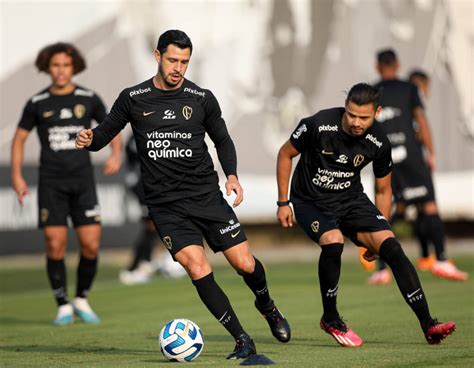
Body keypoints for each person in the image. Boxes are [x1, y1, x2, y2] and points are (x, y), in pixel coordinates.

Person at [76, 29, 290, 359]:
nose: (178, 68)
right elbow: (103, 136)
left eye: (185, 62)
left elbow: (222, 140)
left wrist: (231, 175)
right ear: (157, 56)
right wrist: (89, 139)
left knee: (245, 264)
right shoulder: (133, 98)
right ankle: (242, 338)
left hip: (206, 197)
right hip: (165, 207)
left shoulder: (201, 98)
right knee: (196, 267)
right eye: (173, 60)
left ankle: (268, 306)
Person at [276, 82, 456, 347]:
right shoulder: (318, 124)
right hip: (310, 201)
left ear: (377, 112)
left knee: (393, 248)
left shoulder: (379, 142)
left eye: (364, 117)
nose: (356, 122)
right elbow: (285, 154)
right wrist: (283, 202)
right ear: (345, 109)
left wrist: (383, 226)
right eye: (351, 115)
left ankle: (429, 325)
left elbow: (383, 190)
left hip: (351, 201)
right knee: (333, 240)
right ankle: (331, 317)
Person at [11, 42, 122, 325]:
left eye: (66, 65)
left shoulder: (88, 97)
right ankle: (62, 304)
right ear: (48, 68)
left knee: (90, 244)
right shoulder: (37, 103)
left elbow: (112, 126)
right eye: (55, 65)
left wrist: (116, 154)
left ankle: (82, 298)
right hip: (51, 182)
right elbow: (20, 139)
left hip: (82, 181)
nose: (60, 71)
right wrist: (16, 175)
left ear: (74, 67)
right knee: (55, 243)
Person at [368, 49, 468, 284]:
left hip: (384, 156)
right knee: (429, 206)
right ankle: (441, 261)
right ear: (398, 64)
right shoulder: (409, 89)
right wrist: (430, 153)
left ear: (377, 67)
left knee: (384, 212)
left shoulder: (371, 92)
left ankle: (381, 270)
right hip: (412, 156)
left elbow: (367, 125)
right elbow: (421, 120)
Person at [119, 134, 186, 285]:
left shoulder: (154, 131)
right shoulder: (138, 135)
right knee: (151, 226)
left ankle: (150, 263)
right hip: (143, 185)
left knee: (160, 224)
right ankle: (135, 268)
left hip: (153, 183)